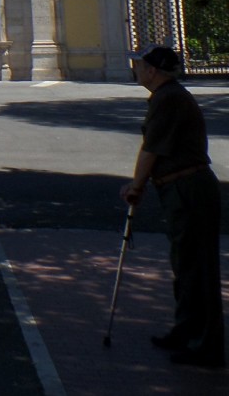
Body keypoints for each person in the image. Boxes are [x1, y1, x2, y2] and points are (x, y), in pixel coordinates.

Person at [120, 43, 224, 368]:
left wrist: (136, 187)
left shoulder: (169, 99)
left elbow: (151, 150)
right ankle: (186, 330)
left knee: (197, 268)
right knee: (185, 265)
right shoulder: (167, 96)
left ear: (153, 70)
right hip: (180, 188)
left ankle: (207, 345)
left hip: (188, 190)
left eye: (139, 64)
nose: (135, 68)